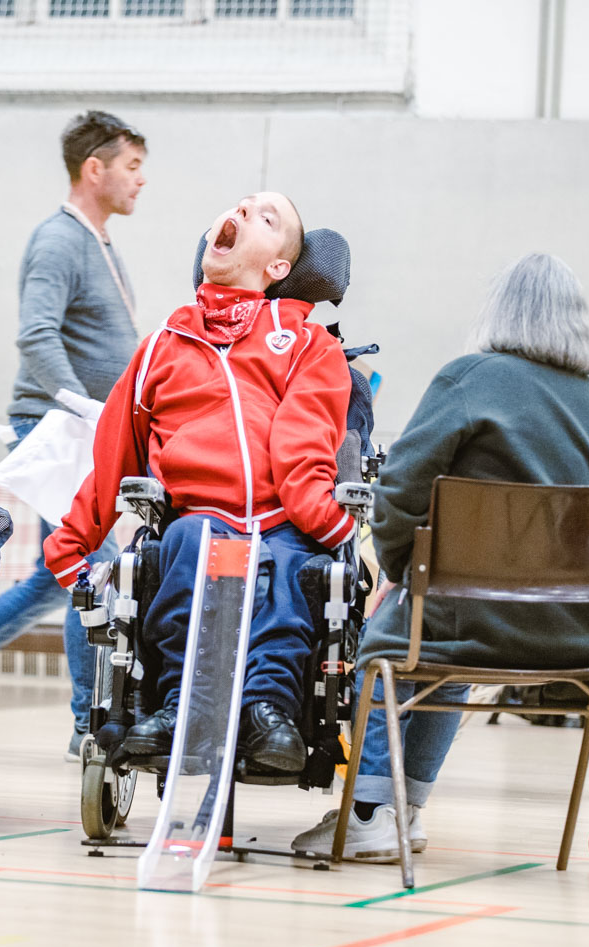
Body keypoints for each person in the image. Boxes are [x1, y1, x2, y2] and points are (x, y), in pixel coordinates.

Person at [291, 252, 589, 861]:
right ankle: (408, 807)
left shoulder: (470, 378)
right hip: (588, 634)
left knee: (402, 633)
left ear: (500, 310)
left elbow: (397, 494)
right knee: (457, 625)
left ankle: (368, 809)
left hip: (473, 617)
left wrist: (397, 572)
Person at [44, 192, 355, 777]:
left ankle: (267, 711)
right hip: (197, 515)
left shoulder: (307, 343)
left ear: (279, 269)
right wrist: (71, 543)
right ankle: (179, 705)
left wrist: (325, 522)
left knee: (290, 574)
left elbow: (305, 440)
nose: (240, 214)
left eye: (267, 217)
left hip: (285, 515)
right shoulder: (165, 344)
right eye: (237, 206)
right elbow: (116, 451)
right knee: (183, 552)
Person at [0, 110, 146, 760]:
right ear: (95, 168)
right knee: (92, 568)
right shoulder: (59, 240)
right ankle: (88, 726)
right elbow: (35, 333)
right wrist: (84, 408)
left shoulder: (97, 241)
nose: (142, 182)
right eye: (133, 167)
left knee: (60, 575)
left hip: (83, 430)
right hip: (58, 428)